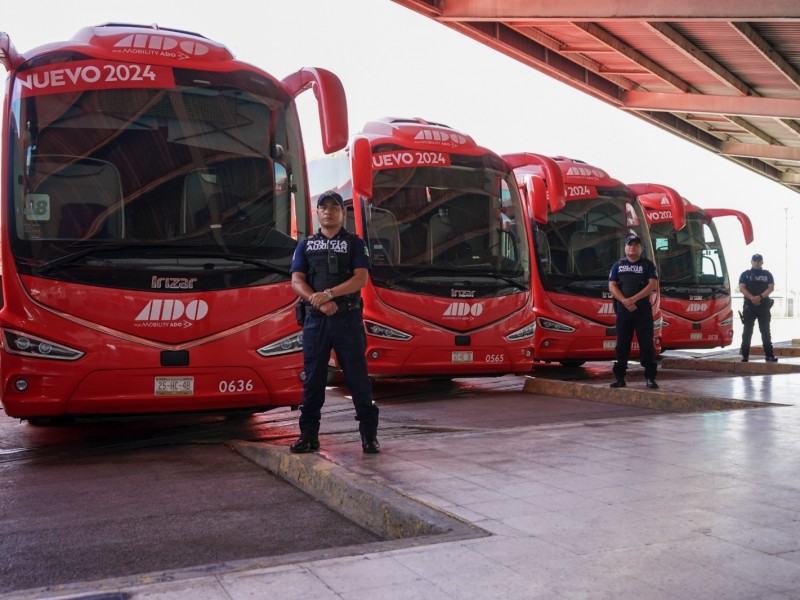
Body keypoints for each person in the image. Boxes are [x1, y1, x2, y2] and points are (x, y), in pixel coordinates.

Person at [289, 190, 380, 454]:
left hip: (347, 319)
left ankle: (369, 437)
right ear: (317, 213)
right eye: (323, 207)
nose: (328, 211)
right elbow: (297, 280)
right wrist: (317, 301)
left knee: (358, 379)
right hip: (316, 322)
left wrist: (329, 295)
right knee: (313, 380)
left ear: (342, 212)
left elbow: (360, 278)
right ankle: (308, 436)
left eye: (334, 207)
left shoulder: (354, 243)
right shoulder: (305, 245)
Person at [608, 234, 660, 389]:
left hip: (642, 310)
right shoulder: (617, 265)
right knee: (622, 345)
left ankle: (650, 378)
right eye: (630, 244)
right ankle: (620, 378)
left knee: (647, 345)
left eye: (636, 245)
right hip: (623, 311)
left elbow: (652, 285)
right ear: (625, 247)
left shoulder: (647, 265)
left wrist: (634, 299)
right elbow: (612, 286)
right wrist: (625, 301)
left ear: (641, 248)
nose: (633, 247)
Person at [739, 253, 777, 362]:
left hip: (763, 306)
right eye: (754, 261)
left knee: (765, 331)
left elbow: (771, 288)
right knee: (747, 331)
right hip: (749, 306)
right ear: (751, 262)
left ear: (762, 262)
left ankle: (769, 355)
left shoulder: (767, 274)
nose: (756, 263)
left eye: (759, 261)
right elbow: (742, 288)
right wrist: (752, 298)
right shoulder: (745, 274)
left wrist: (760, 297)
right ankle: (745, 355)